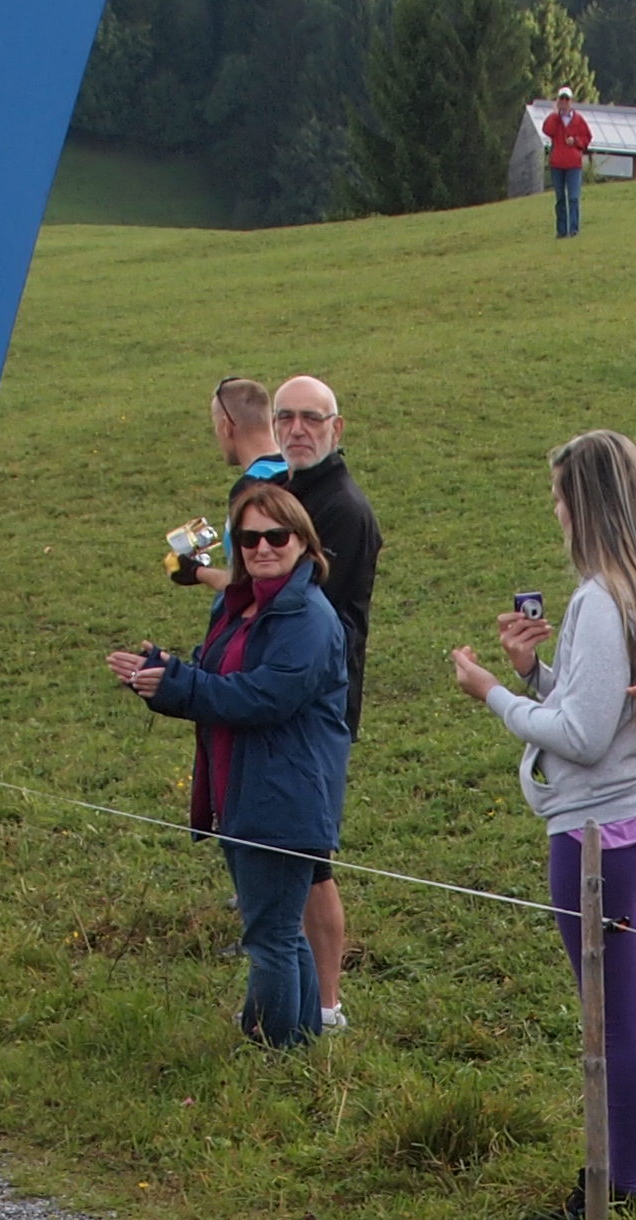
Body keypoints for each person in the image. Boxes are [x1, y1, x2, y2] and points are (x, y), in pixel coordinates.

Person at [453, 430, 636, 1220]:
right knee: (620, 1009)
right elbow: (603, 709)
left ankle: (620, 1188)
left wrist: (491, 694)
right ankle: (623, 1181)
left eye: (559, 498)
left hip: (595, 834)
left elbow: (584, 738)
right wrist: (534, 675)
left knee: (613, 1014)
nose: (555, 513)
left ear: (585, 505)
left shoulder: (599, 598)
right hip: (634, 818)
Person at [112, 483, 350, 1050]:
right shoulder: (242, 605)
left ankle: (272, 1048)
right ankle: (298, 1046)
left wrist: (179, 687)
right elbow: (217, 676)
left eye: (276, 536)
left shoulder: (308, 618)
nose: (262, 547)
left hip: (283, 791)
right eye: (248, 538)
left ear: (303, 541)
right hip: (243, 785)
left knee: (270, 937)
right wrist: (163, 671)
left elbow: (264, 697)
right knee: (280, 930)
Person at [267, 376, 381, 1028]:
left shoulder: (342, 509)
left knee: (311, 859)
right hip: (279, 693)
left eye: (312, 418)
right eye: (286, 417)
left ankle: (328, 1004)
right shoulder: (289, 493)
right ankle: (291, 982)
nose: (297, 429)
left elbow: (309, 613)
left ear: (337, 429)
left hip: (318, 704)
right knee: (287, 850)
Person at [167, 377, 291, 590]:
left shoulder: (250, 491)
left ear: (226, 427)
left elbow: (248, 586)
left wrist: (196, 571)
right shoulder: (297, 470)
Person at [543, 88, 594, 237]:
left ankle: (573, 229)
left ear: (571, 102)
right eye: (562, 99)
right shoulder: (555, 119)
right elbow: (547, 130)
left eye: (567, 99)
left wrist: (576, 141)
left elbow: (587, 138)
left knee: (573, 198)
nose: (564, 102)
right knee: (560, 199)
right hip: (557, 164)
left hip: (573, 165)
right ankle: (561, 231)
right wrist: (555, 114)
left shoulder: (578, 120)